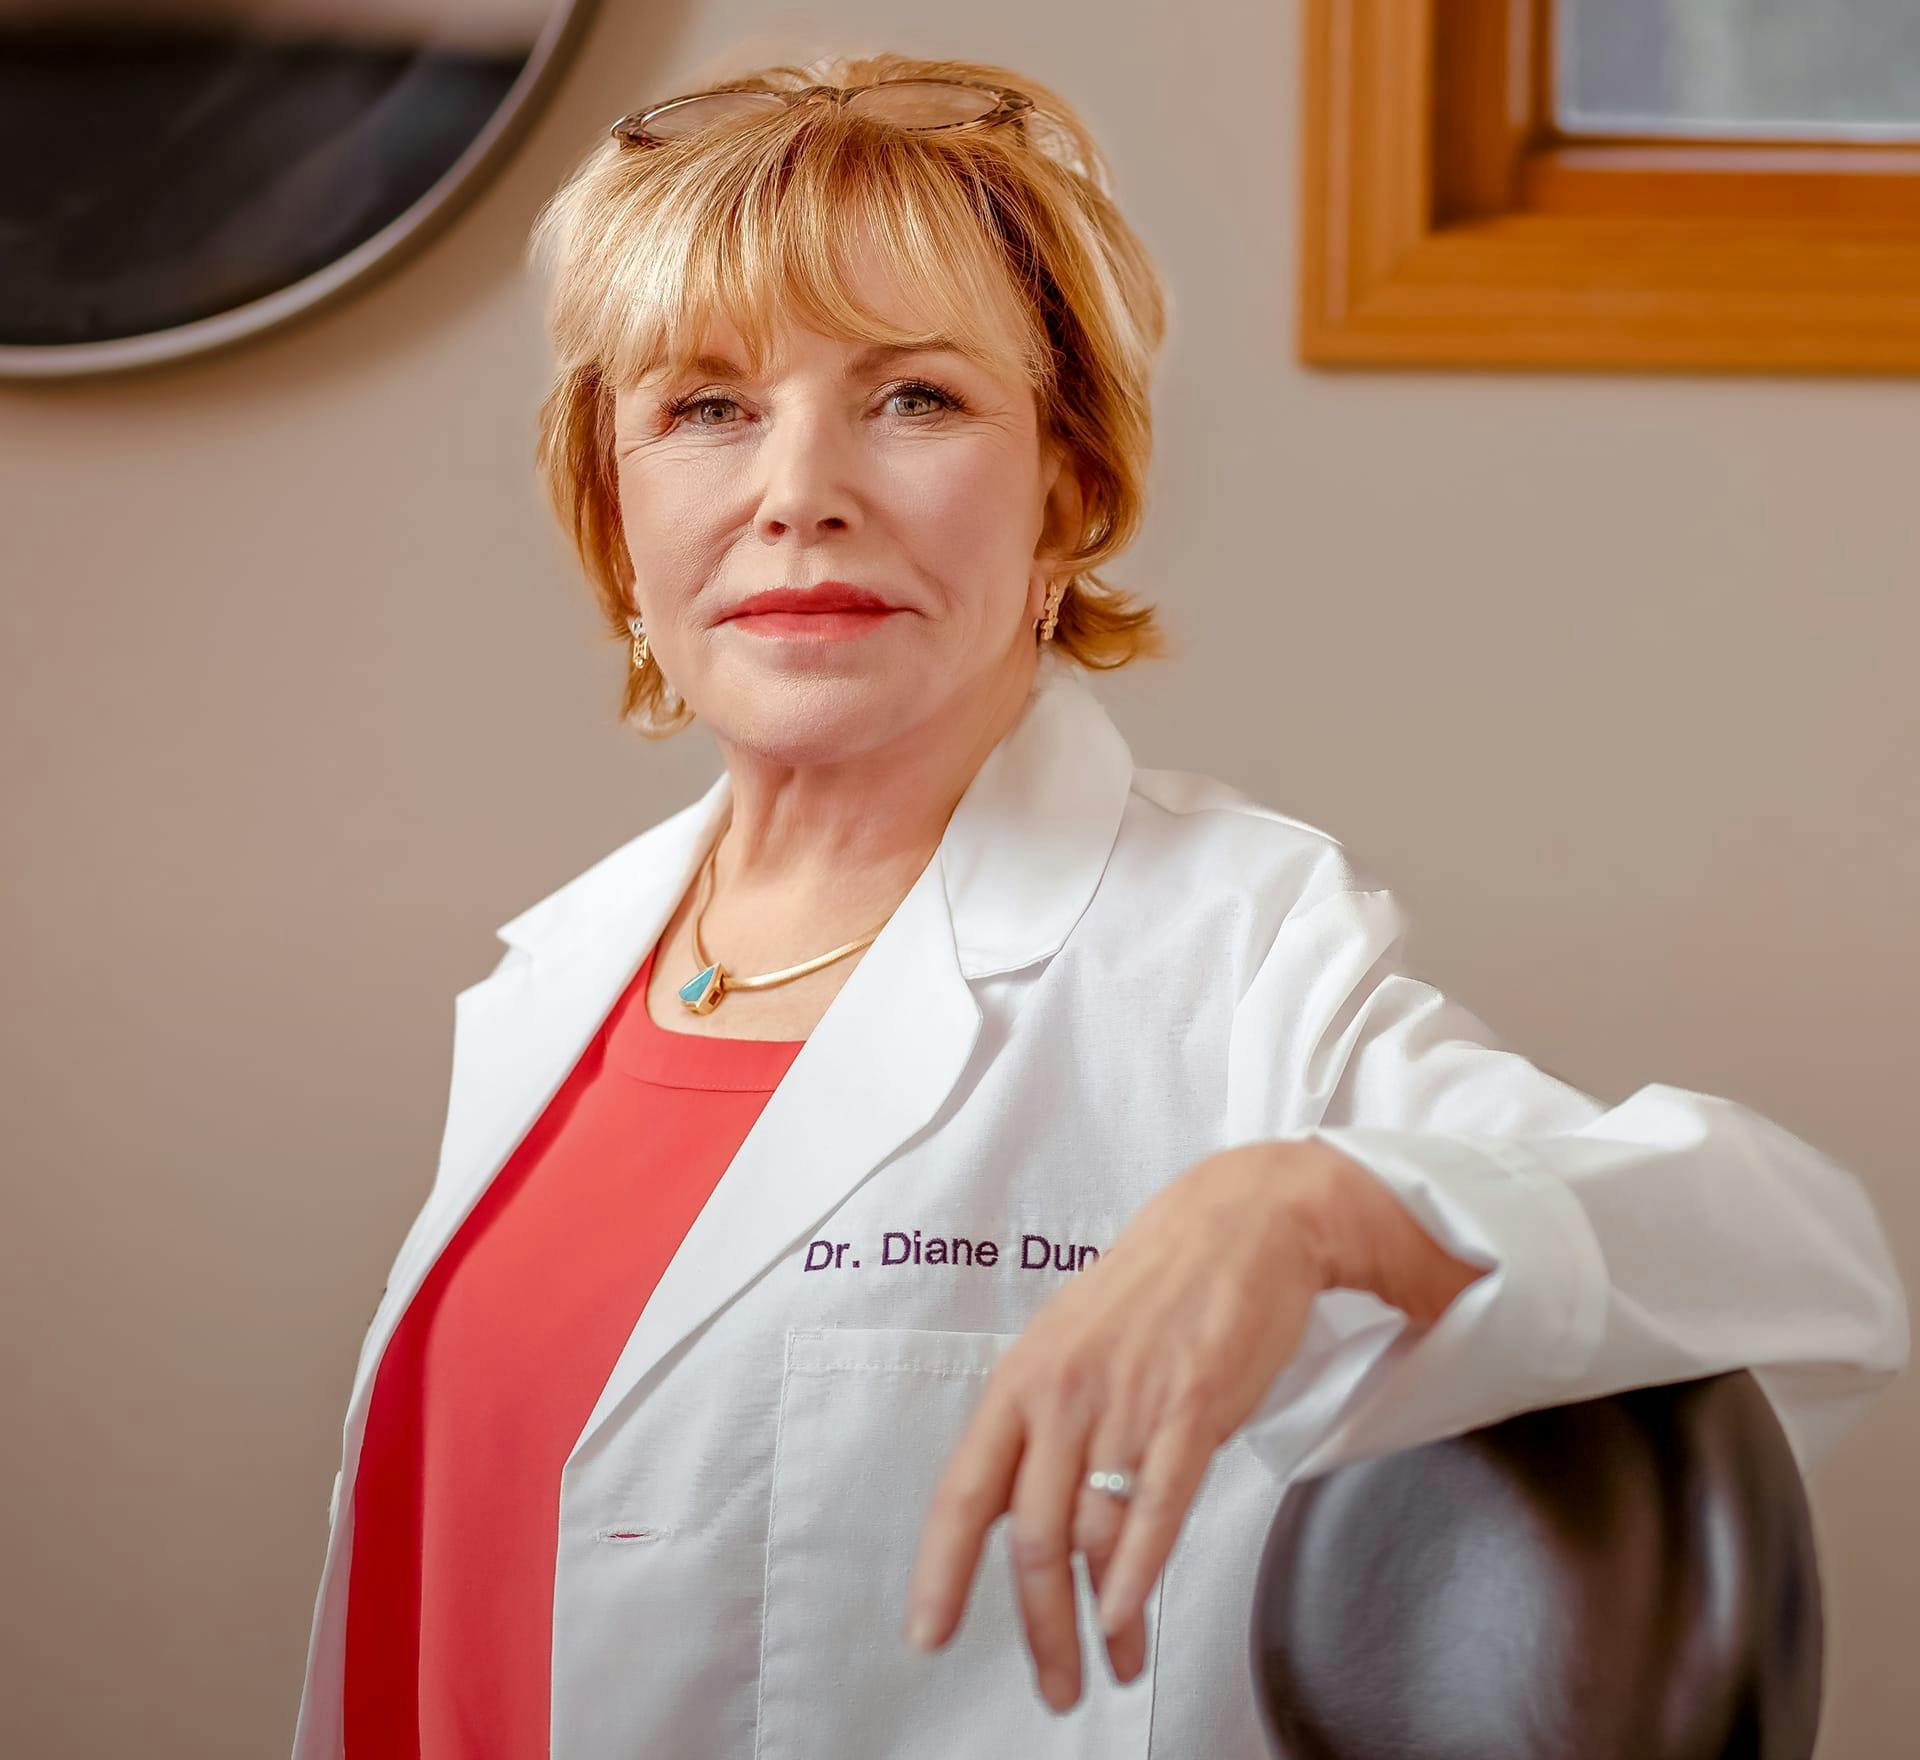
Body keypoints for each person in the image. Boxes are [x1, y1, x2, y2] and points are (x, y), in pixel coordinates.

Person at [290, 51, 1909, 1760]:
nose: (798, 488)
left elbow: (1798, 1264)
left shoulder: (1224, 948)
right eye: (707, 407)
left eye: (914, 397)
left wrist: (1312, 1203)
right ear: (619, 519)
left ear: (1067, 488)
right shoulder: (561, 981)